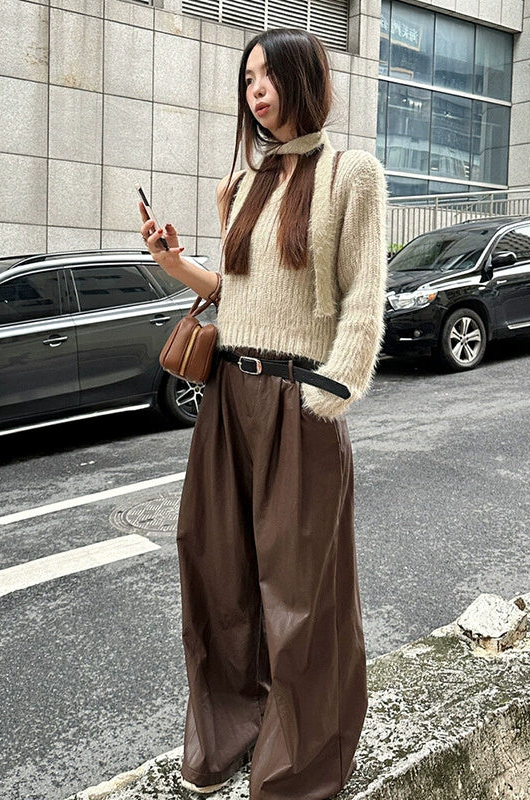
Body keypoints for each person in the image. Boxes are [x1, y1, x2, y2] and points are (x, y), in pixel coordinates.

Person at [138, 27, 387, 800]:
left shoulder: (353, 174)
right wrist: (173, 263)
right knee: (215, 567)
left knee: (300, 589)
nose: (255, 88)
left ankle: (300, 766)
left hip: (298, 401)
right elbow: (239, 290)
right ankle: (228, 732)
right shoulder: (241, 185)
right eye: (247, 76)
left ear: (302, 80)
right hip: (229, 396)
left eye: (268, 74)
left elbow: (364, 298)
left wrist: (331, 391)